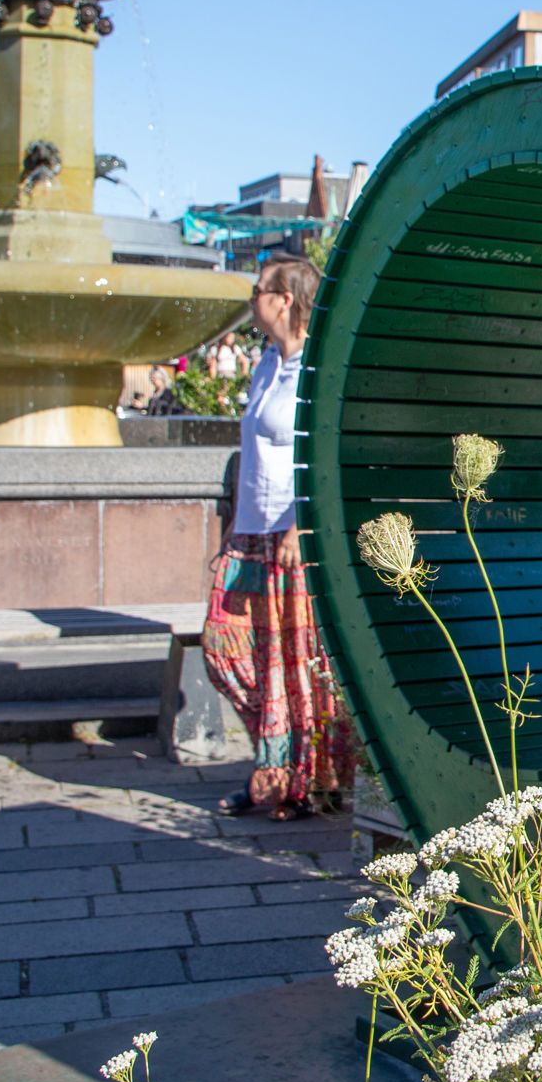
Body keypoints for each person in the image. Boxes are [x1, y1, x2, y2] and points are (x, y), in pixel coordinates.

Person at [203, 257, 354, 821]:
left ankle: (304, 783)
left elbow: (326, 452)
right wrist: (235, 524)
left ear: (285, 299)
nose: (252, 299)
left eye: (258, 290)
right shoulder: (268, 362)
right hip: (250, 532)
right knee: (225, 646)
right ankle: (277, 764)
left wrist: (300, 524)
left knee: (296, 666)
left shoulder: (317, 366)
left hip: (292, 536)